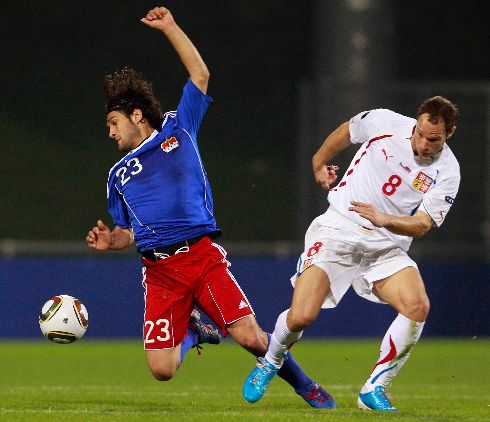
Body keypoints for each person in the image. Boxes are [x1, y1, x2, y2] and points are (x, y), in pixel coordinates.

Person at [85, 6, 334, 408]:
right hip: (159, 271)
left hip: (200, 255)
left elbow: (200, 75)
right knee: (162, 369)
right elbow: (128, 231)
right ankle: (195, 330)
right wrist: (110, 240)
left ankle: (305, 384)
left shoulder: (176, 128)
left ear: (136, 115)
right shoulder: (118, 175)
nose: (110, 132)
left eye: (114, 122)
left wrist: (169, 27)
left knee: (251, 337)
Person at [243, 97, 460, 411]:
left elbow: (423, 223)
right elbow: (347, 131)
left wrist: (385, 219)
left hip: (386, 245)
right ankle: (271, 361)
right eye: (420, 134)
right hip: (339, 229)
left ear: (449, 134)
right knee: (303, 315)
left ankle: (373, 390)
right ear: (416, 122)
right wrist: (319, 161)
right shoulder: (384, 121)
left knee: (417, 306)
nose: (424, 144)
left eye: (434, 139)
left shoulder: (448, 171)